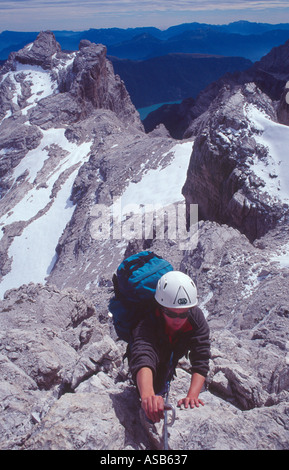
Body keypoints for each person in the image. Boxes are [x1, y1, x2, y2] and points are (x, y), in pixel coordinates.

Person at [128, 270, 210, 424]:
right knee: (151, 390)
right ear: (160, 308)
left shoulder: (196, 318)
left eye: (183, 314)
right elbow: (143, 355)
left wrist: (192, 395)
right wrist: (147, 396)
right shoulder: (147, 321)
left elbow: (201, 356)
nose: (178, 320)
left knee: (163, 377)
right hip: (154, 355)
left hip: (171, 353)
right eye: (171, 314)